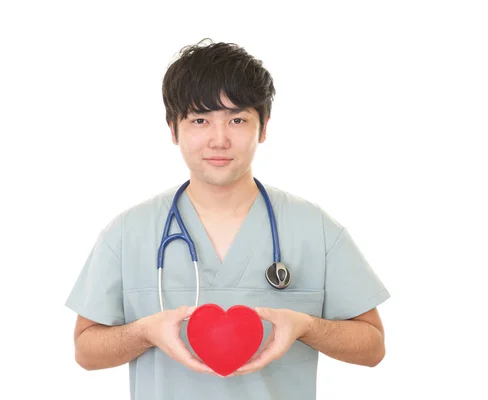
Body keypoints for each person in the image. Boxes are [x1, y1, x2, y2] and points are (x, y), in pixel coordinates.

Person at [65, 38, 390, 400]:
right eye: (199, 120)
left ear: (263, 127)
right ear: (173, 129)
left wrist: (306, 326)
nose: (219, 139)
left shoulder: (316, 229)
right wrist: (143, 332)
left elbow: (373, 346)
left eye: (237, 119)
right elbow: (85, 351)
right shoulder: (127, 233)